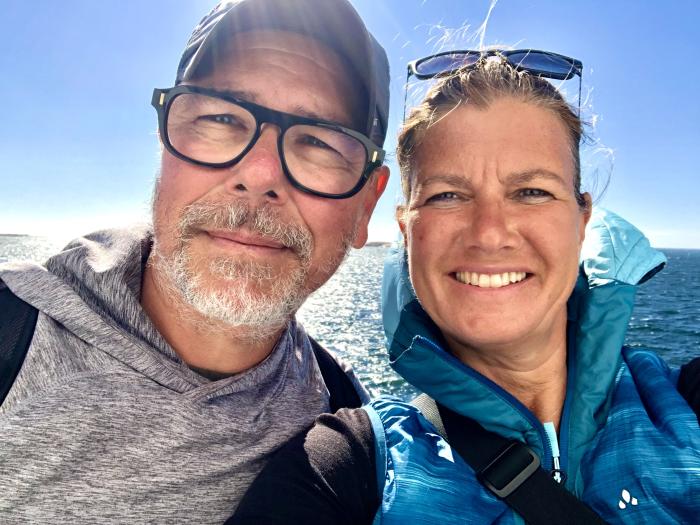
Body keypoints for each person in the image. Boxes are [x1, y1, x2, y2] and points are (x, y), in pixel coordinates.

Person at [230, 53, 700, 524]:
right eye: (447, 196)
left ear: (582, 222)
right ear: (407, 231)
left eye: (532, 192)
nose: (490, 233)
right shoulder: (347, 470)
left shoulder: (686, 407)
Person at [0, 0, 390, 522]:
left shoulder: (352, 428)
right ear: (164, 141)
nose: (259, 174)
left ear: (367, 206)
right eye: (221, 118)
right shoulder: (12, 330)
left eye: (320, 142)